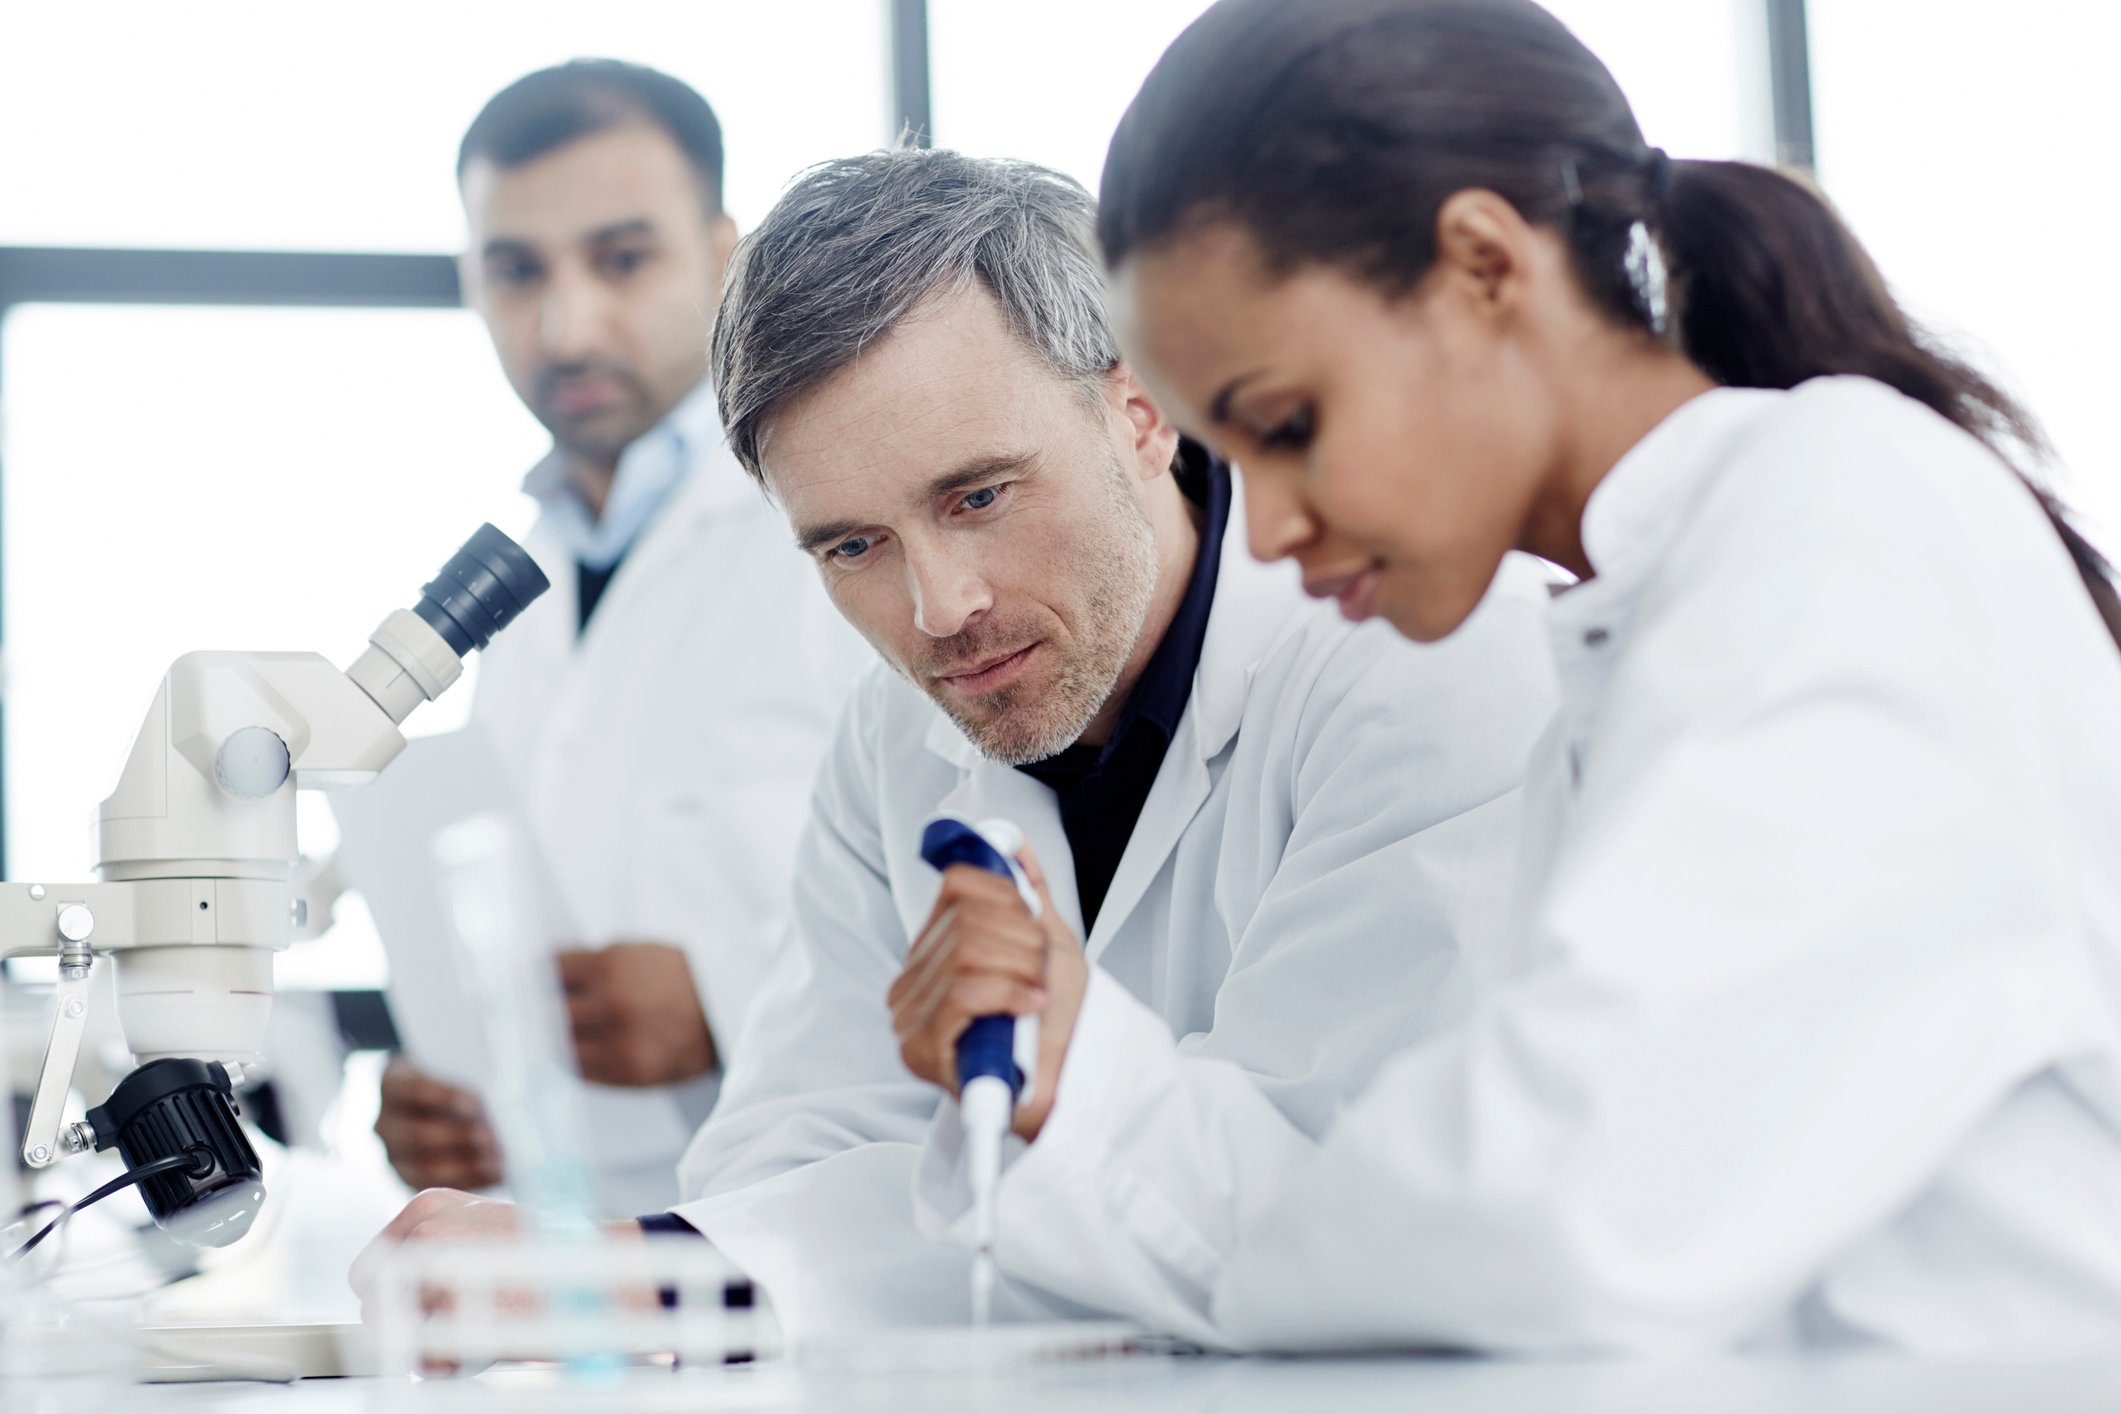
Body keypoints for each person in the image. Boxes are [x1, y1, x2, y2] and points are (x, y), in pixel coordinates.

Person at [913, 0, 2121, 1357]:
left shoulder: (1845, 513)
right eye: (1232, 459)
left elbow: (1561, 1217)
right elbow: (1461, 1208)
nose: (1268, 529)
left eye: (1290, 424)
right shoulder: (1642, 629)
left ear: (1485, 265)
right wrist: (1068, 1060)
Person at [353, 147, 1559, 1335]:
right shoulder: (898, 736)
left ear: (1140, 409)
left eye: (978, 495)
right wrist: (618, 1268)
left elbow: (1349, 1212)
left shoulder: (1426, 659)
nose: (939, 609)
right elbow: (804, 1143)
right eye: (850, 547)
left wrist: (1060, 1074)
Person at [370, 60, 864, 1215]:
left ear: (723, 252)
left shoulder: (842, 527)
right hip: (582, 1268)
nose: (566, 322)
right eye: (516, 270)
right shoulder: (530, 577)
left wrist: (722, 1003)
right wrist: (446, 1097)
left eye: (623, 258)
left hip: (811, 1239)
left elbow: (1006, 900)